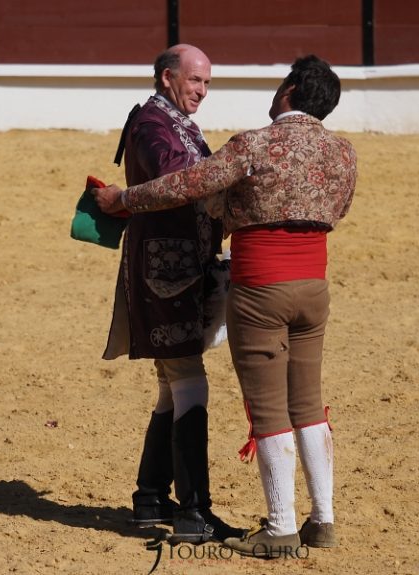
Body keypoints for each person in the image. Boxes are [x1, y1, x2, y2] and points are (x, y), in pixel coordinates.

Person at [93, 55, 357, 558]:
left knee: (267, 407)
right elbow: (337, 211)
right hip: (314, 286)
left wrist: (123, 198)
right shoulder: (343, 153)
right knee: (307, 402)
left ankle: (278, 525)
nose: (204, 90)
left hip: (260, 287)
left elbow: (187, 185)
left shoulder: (253, 143)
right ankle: (321, 519)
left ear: (289, 91)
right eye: (198, 79)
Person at [104, 44, 241, 544]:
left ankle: (149, 497)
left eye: (207, 83)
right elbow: (176, 178)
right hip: (166, 271)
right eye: (195, 80)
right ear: (167, 78)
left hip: (180, 266)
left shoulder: (169, 121)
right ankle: (194, 511)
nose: (202, 91)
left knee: (173, 381)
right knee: (188, 379)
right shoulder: (152, 125)